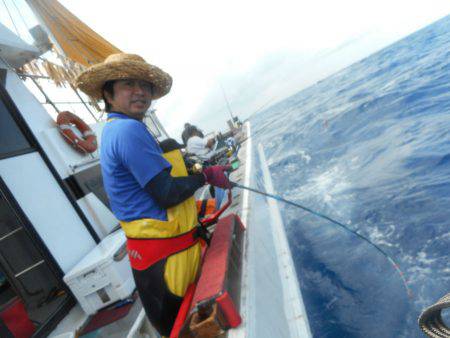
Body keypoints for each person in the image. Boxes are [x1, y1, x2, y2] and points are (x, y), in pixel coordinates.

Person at [75, 53, 231, 337]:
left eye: (145, 85)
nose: (140, 91)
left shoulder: (113, 129)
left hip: (153, 257)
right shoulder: (128, 130)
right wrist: (206, 176)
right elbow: (168, 194)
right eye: (128, 84)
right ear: (108, 93)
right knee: (184, 329)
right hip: (168, 261)